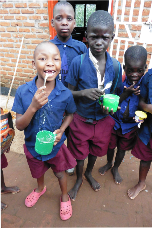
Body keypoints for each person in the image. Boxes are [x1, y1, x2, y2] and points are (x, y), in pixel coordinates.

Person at [12, 41, 77, 220]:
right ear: (34, 64)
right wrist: (33, 106)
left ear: (60, 65)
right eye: (43, 58)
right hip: (33, 146)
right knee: (38, 171)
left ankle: (64, 195)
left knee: (59, 172)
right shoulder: (23, 91)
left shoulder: (65, 93)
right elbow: (19, 125)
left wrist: (62, 129)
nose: (50, 63)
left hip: (55, 147)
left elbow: (70, 114)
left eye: (55, 59)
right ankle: (40, 188)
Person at [65, 10, 122, 201]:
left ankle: (89, 173)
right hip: (81, 119)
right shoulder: (78, 63)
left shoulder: (115, 66)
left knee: (96, 151)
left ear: (111, 38)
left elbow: (116, 94)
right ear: (85, 37)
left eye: (104, 37)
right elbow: (66, 93)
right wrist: (82, 93)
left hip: (103, 120)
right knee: (80, 153)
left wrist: (112, 107)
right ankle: (79, 179)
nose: (98, 42)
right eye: (93, 37)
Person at [99, 45, 147, 184]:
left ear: (145, 68)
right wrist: (126, 93)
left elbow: (145, 105)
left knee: (122, 149)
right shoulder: (119, 84)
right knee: (110, 146)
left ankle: (115, 168)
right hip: (115, 123)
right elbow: (113, 101)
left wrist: (142, 94)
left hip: (130, 126)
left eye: (139, 71)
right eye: (130, 70)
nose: (134, 74)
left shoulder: (145, 87)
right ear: (125, 68)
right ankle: (109, 163)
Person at [51, 0, 87, 175]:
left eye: (69, 18)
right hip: (55, 99)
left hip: (74, 99)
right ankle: (56, 157)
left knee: (73, 130)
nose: (64, 22)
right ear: (52, 23)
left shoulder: (80, 48)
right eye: (59, 18)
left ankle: (71, 158)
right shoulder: (48, 47)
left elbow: (86, 73)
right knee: (56, 128)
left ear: (74, 23)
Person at [127, 67, 152, 199]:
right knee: (145, 158)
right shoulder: (149, 76)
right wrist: (147, 107)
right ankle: (141, 183)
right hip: (149, 130)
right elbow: (141, 100)